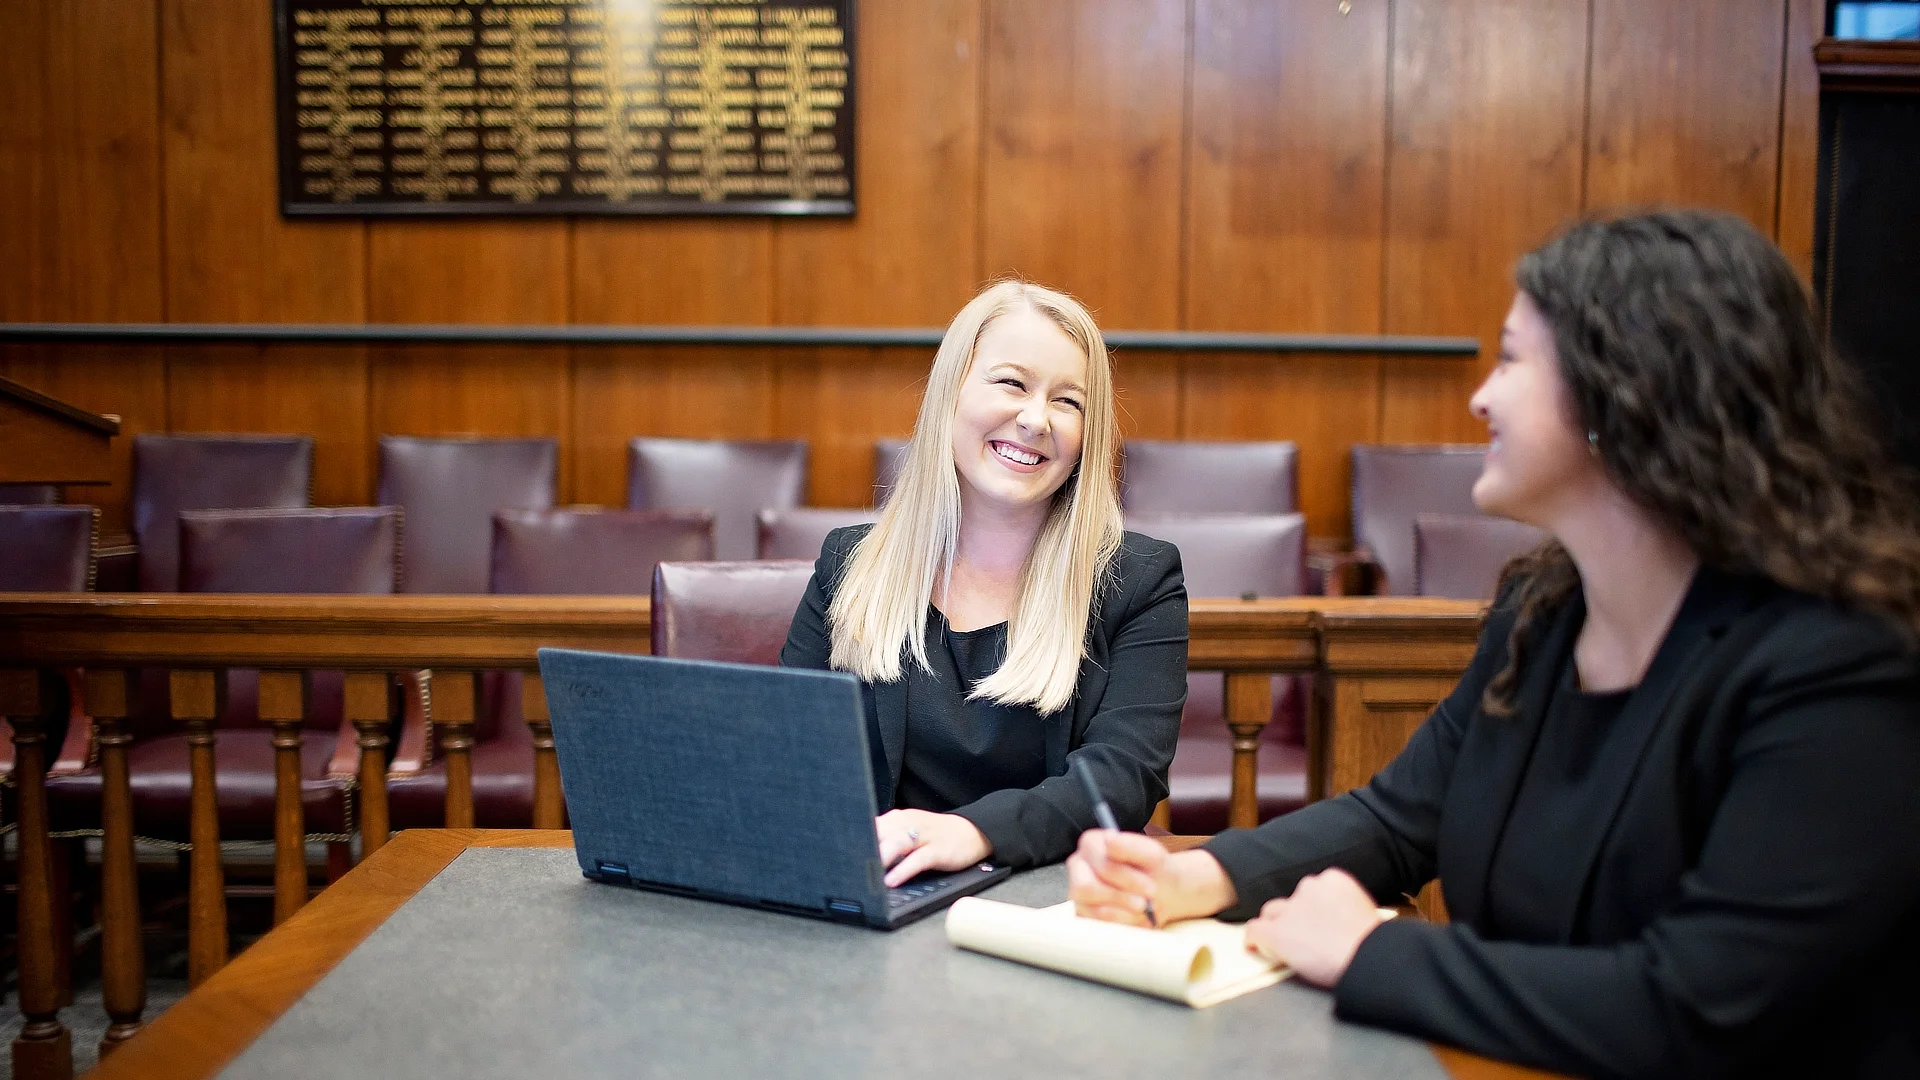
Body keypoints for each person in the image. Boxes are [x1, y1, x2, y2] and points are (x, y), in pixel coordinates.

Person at [1067, 212, 1920, 1078]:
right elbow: (1399, 819)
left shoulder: (1840, 665)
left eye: (1511, 359)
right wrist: (1200, 877)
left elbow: (1698, 1007)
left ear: (1625, 393)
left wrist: (1371, 953)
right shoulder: (1541, 615)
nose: (1481, 396)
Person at [781, 280, 1188, 888]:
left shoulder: (1139, 580)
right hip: (873, 891)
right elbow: (788, 747)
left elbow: (1122, 776)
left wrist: (973, 834)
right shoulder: (849, 563)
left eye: (1068, 402)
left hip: (1042, 901)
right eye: (1011, 383)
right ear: (950, 394)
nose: (1034, 419)